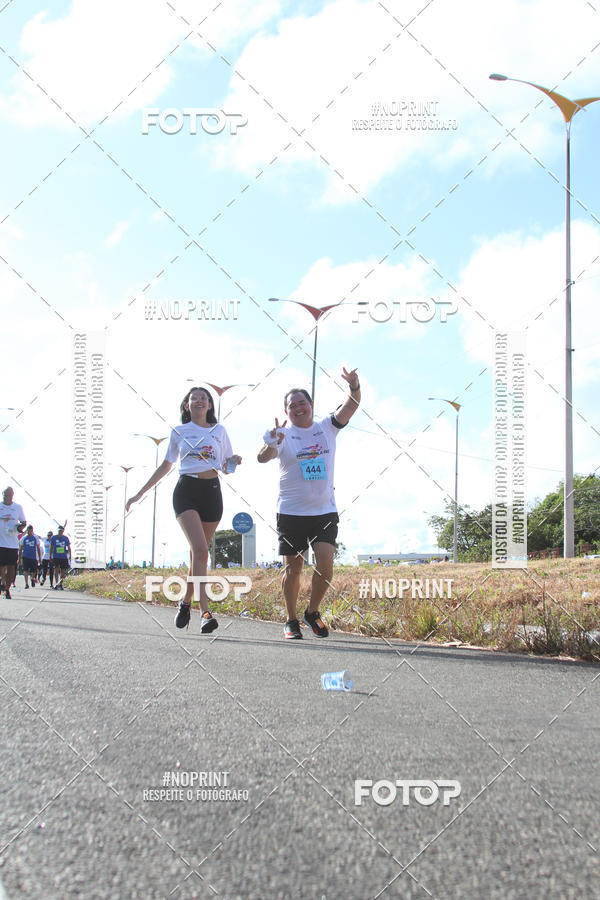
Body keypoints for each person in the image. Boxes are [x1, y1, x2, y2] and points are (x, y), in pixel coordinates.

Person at [126, 386, 241, 633]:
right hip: (186, 491)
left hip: (212, 492)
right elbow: (166, 465)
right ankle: (205, 613)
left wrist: (234, 462)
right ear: (187, 405)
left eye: (204, 398)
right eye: (194, 398)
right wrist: (140, 493)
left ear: (210, 405)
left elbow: (227, 467)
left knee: (197, 557)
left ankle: (185, 602)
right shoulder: (179, 431)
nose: (199, 401)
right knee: (201, 551)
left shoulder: (219, 431)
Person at [257, 367, 361, 640]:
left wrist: (353, 386)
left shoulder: (326, 427)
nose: (298, 408)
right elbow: (262, 457)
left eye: (301, 402)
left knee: (326, 566)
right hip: (291, 512)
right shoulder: (283, 435)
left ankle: (312, 612)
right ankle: (291, 620)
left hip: (324, 510)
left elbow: (352, 406)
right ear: (286, 411)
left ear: (311, 405)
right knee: (294, 569)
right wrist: (271, 442)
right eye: (292, 405)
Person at [0, 487, 26, 598]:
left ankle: (6, 589)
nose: (7, 497)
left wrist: (19, 528)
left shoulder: (18, 507)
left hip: (12, 543)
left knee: (11, 568)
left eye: (9, 495)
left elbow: (24, 522)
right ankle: (2, 582)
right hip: (0, 543)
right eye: (5, 495)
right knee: (1, 567)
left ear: (13, 495)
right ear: (2, 494)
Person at [50, 525, 71, 590]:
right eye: (59, 531)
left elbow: (69, 547)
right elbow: (51, 547)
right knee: (56, 570)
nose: (60, 532)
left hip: (63, 557)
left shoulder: (66, 538)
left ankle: (61, 584)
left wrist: (70, 556)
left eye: (61, 531)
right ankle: (56, 584)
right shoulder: (54, 538)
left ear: (63, 531)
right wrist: (50, 555)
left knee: (63, 571)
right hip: (56, 556)